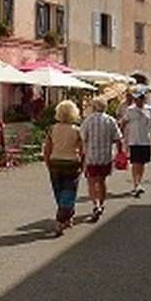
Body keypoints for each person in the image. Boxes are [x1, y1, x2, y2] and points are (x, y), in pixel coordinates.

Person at [44, 100, 84, 235]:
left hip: (55, 162)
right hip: (71, 162)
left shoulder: (52, 129)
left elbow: (47, 149)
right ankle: (61, 219)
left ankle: (66, 215)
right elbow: (82, 150)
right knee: (69, 192)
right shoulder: (77, 130)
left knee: (59, 191)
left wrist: (48, 163)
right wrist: (83, 164)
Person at [80, 97, 123, 221]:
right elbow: (118, 138)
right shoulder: (110, 120)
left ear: (93, 107)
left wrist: (82, 154)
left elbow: (83, 138)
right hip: (105, 157)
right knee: (102, 181)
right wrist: (120, 152)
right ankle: (102, 204)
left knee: (91, 182)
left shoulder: (88, 121)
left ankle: (96, 205)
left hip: (91, 157)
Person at [121, 87, 151, 197]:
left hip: (145, 140)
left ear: (144, 99)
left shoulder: (149, 110)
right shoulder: (130, 110)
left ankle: (139, 181)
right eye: (137, 99)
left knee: (142, 163)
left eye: (141, 99)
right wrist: (122, 136)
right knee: (135, 162)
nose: (138, 101)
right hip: (133, 140)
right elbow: (123, 122)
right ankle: (136, 184)